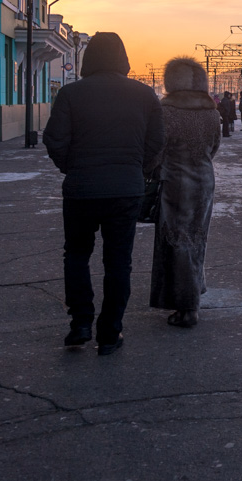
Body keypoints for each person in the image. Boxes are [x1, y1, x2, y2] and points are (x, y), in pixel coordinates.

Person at [43, 32, 164, 356]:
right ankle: (110, 333)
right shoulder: (144, 95)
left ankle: (80, 324)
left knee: (77, 255)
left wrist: (74, 167)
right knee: (118, 262)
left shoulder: (71, 94)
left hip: (82, 191)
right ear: (123, 58)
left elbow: (53, 139)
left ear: (88, 58)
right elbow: (157, 142)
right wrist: (137, 169)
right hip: (125, 191)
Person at [149, 57, 220, 330]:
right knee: (196, 239)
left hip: (175, 182)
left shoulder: (166, 112)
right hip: (204, 181)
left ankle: (187, 307)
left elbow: (157, 151)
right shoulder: (211, 112)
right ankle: (192, 293)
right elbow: (213, 148)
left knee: (176, 241)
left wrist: (153, 171)